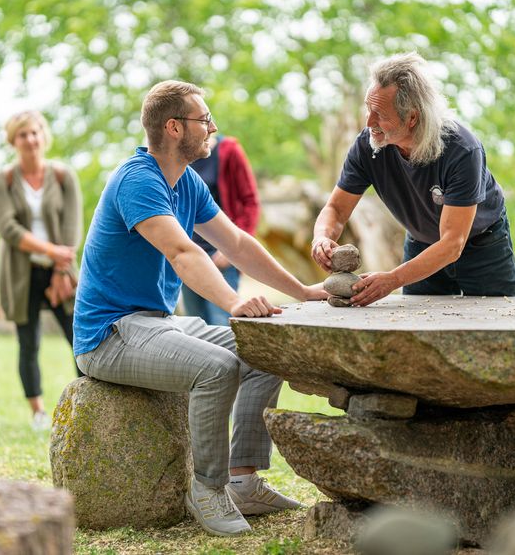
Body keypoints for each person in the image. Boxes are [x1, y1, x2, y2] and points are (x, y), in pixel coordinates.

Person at [73, 80, 328, 537]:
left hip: (156, 325)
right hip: (109, 335)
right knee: (216, 368)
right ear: (173, 127)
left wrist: (304, 291)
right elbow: (184, 253)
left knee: (263, 349)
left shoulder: (186, 182)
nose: (213, 127)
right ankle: (207, 490)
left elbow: (236, 243)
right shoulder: (137, 180)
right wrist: (234, 301)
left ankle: (243, 480)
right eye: (203, 119)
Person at [312, 52, 515, 305]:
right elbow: (335, 208)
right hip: (421, 241)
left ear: (412, 117)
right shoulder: (368, 145)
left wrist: (392, 279)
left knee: (498, 326)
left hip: (482, 245)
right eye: (368, 109)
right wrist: (321, 237)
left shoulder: (462, 150)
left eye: (379, 114)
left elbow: (452, 243)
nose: (368, 122)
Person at [0, 110, 83, 431]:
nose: (30, 139)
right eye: (22, 135)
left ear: (43, 136)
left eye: (35, 133)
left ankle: (87, 404)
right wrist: (49, 251)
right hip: (21, 272)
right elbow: (8, 229)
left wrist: (60, 268)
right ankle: (38, 413)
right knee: (28, 342)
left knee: (80, 335)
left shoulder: (62, 175)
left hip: (61, 270)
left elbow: (73, 227)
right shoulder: (2, 179)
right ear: (13, 141)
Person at [182, 134, 260, 325]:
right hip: (189, 255)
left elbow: (250, 202)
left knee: (222, 322)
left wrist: (231, 249)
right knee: (196, 325)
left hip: (221, 256)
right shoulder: (179, 157)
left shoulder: (228, 151)